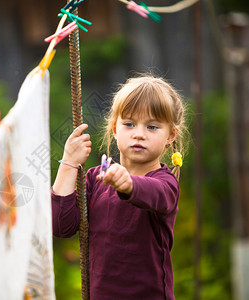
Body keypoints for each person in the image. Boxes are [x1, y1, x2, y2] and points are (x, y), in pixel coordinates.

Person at [51, 75, 187, 300]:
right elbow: (60, 225)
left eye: (152, 127)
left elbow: (155, 194)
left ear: (171, 135)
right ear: (115, 128)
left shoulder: (166, 183)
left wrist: (128, 183)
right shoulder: (96, 179)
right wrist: (68, 163)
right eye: (129, 124)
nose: (139, 134)